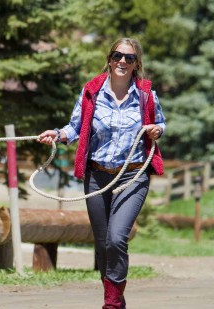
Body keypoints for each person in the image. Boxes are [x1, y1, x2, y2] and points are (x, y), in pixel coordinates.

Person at [37, 38, 166, 309]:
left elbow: (160, 123)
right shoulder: (91, 91)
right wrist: (57, 135)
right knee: (103, 244)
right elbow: (75, 127)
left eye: (129, 58)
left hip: (132, 176)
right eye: (118, 55)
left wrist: (156, 130)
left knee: (117, 237)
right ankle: (116, 300)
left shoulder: (145, 94)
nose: (122, 61)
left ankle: (110, 304)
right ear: (109, 59)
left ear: (136, 64)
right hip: (97, 176)